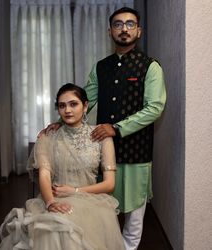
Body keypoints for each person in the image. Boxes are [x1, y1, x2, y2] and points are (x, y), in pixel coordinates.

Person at [41, 7, 166, 250]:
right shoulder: (101, 67)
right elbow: (86, 99)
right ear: (110, 31)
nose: (124, 29)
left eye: (130, 24)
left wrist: (116, 128)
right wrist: (62, 120)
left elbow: (155, 108)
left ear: (138, 31)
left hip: (136, 151)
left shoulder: (150, 67)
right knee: (102, 209)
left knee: (134, 213)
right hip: (99, 150)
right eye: (118, 24)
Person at [0, 83, 125, 250]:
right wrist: (50, 202)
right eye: (62, 105)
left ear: (85, 106)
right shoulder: (47, 137)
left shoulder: (102, 137)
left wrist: (75, 191)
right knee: (53, 229)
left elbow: (109, 184)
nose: (68, 110)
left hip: (92, 201)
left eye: (74, 104)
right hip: (54, 197)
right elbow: (44, 175)